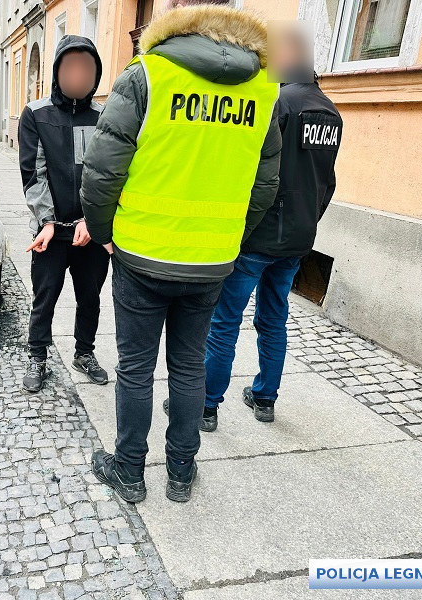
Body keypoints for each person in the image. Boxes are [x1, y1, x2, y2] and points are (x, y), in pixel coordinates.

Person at [81, 0, 282, 503]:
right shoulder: (265, 90)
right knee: (189, 367)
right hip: (211, 261)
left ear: (174, 18)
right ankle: (181, 473)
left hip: (141, 254)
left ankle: (129, 471)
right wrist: (229, 238)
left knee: (135, 368)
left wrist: (105, 232)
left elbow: (102, 172)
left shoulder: (146, 75)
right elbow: (265, 185)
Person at [200, 26, 342, 430]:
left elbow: (254, 171)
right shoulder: (332, 112)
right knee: (274, 318)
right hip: (298, 239)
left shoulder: (277, 102)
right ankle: (265, 398)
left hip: (260, 234)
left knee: (224, 320)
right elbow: (326, 182)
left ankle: (207, 407)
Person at [18, 35, 110, 393]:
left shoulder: (105, 117)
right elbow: (33, 173)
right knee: (45, 296)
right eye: (70, 66)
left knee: (90, 297)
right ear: (57, 71)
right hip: (51, 232)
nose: (79, 73)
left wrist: (94, 218)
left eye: (87, 67)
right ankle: (37, 355)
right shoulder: (36, 115)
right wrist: (46, 221)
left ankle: (84, 353)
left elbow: (107, 174)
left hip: (92, 232)